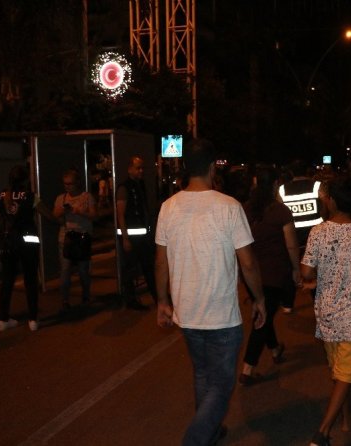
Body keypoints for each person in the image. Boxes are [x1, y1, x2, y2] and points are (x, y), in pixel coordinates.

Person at [155, 139, 267, 446]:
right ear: (211, 167)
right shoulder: (229, 207)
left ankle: (211, 432)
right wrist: (259, 299)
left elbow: (161, 261)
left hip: (187, 312)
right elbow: (248, 262)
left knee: (203, 375)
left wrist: (163, 301)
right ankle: (195, 439)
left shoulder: (168, 208)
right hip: (221, 316)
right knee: (221, 384)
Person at [301, 177, 351, 446]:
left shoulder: (317, 232)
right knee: (346, 374)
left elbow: (306, 271)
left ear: (333, 201)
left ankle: (347, 418)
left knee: (340, 373)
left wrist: (322, 277)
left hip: (326, 314)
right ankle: (322, 433)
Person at [239, 166, 301, 385]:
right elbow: (291, 245)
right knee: (263, 318)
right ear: (275, 184)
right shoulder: (280, 211)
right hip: (275, 273)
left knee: (264, 310)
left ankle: (275, 349)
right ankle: (247, 369)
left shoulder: (244, 210)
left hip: (250, 273)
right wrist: (296, 269)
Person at [0, 165, 54, 332]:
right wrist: (60, 219)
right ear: (26, 180)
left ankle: (3, 319)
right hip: (28, 242)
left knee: (7, 281)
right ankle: (33, 319)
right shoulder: (30, 196)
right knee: (30, 280)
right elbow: (48, 215)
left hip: (8, 243)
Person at [278, 159, 323, 313]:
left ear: (291, 173)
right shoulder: (317, 186)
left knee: (292, 268)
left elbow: (280, 211)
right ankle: (318, 302)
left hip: (292, 235)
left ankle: (288, 304)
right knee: (314, 269)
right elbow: (325, 206)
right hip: (314, 234)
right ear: (307, 171)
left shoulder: (282, 189)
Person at [116, 156, 158, 310]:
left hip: (142, 237)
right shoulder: (124, 188)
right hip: (132, 238)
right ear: (129, 169)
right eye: (138, 168)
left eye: (142, 168)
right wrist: (125, 239)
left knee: (148, 267)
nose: (141, 171)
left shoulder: (140, 185)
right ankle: (131, 300)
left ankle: (157, 297)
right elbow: (120, 214)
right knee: (131, 270)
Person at [53, 168, 97, 309]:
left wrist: (79, 211)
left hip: (82, 237)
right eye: (65, 184)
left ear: (77, 183)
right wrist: (63, 210)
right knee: (65, 270)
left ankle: (86, 296)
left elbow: (94, 215)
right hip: (66, 238)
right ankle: (65, 300)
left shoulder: (87, 197)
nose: (67, 187)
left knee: (83, 270)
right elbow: (55, 215)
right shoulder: (61, 198)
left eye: (70, 184)